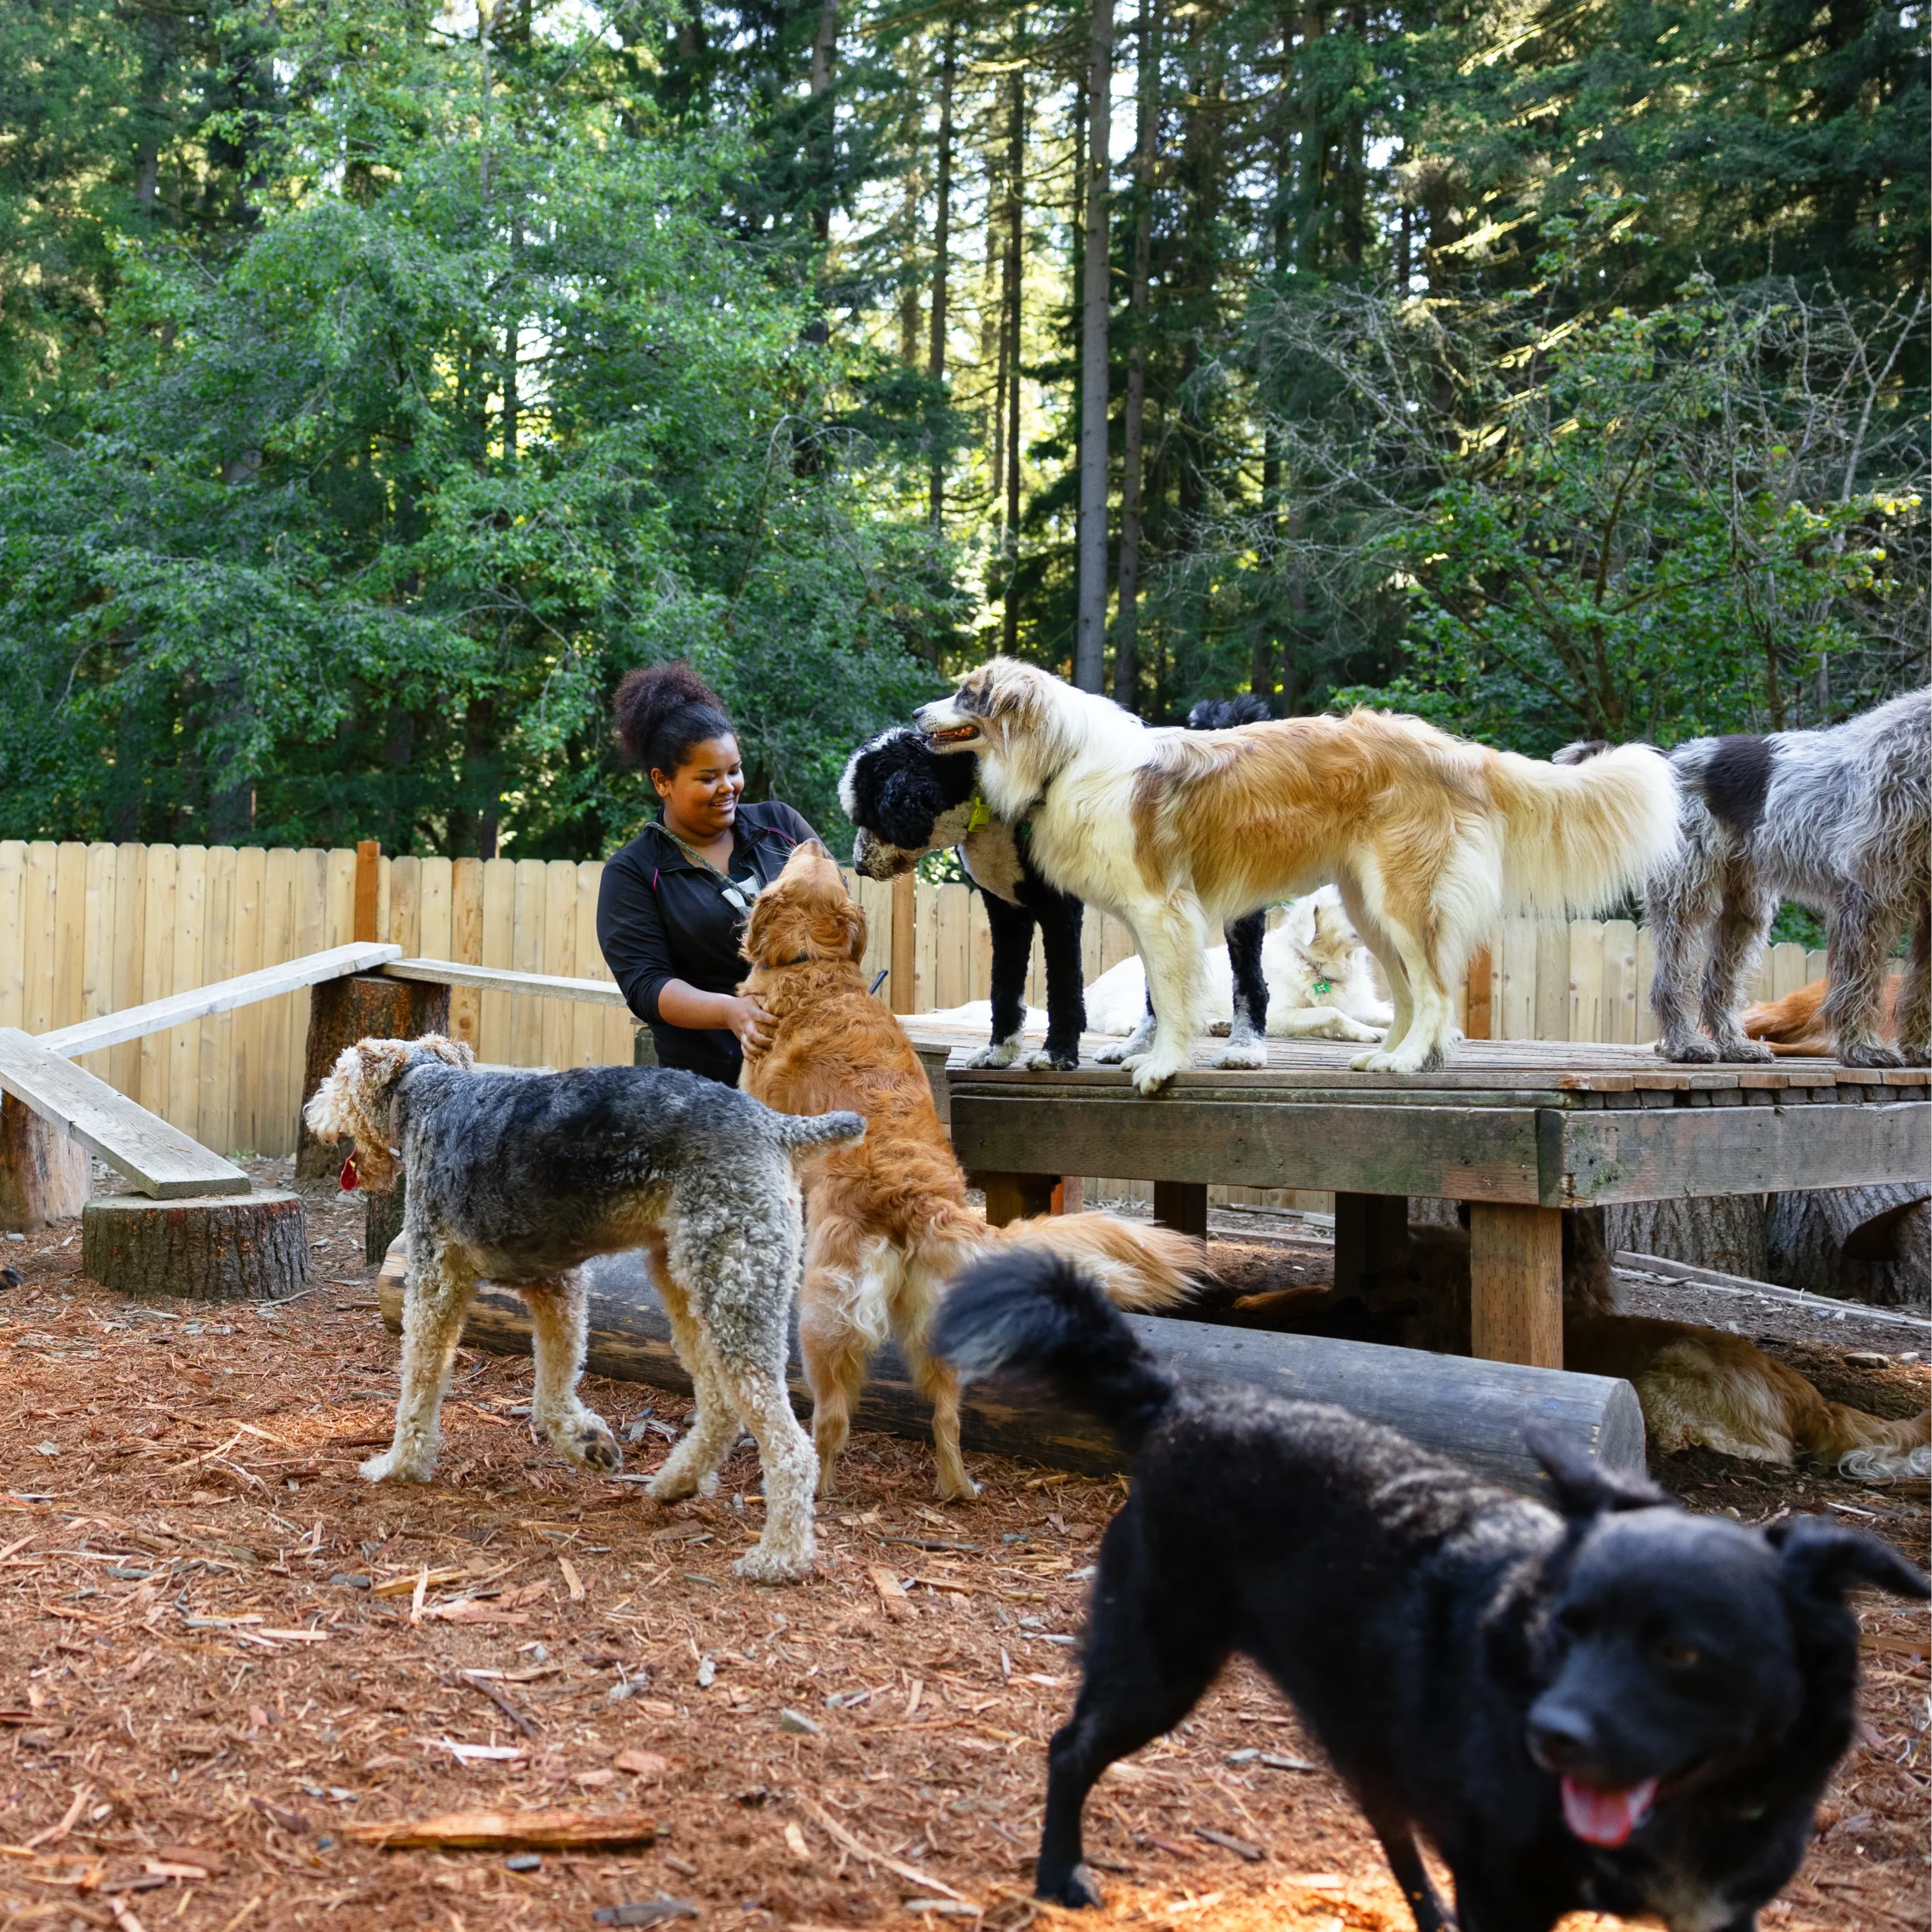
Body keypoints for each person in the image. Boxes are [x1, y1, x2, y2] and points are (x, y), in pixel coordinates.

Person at [597, 663, 822, 1085]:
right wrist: (730, 1012)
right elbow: (647, 985)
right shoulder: (633, 871)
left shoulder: (782, 826)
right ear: (662, 781)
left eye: (733, 770)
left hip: (813, 1064)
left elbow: (834, 912)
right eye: (708, 777)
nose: (728, 787)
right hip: (706, 1089)